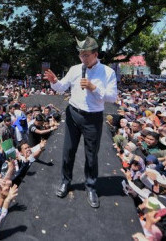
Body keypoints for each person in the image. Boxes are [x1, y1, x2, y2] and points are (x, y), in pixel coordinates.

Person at [44, 36, 117, 208]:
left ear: (96, 54)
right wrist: (54, 81)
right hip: (73, 114)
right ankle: (65, 181)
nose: (83, 59)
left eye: (86, 55)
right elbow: (62, 87)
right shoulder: (75, 69)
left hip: (93, 117)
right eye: (80, 55)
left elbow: (113, 97)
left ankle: (91, 186)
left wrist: (94, 88)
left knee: (91, 155)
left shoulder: (108, 72)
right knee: (68, 151)